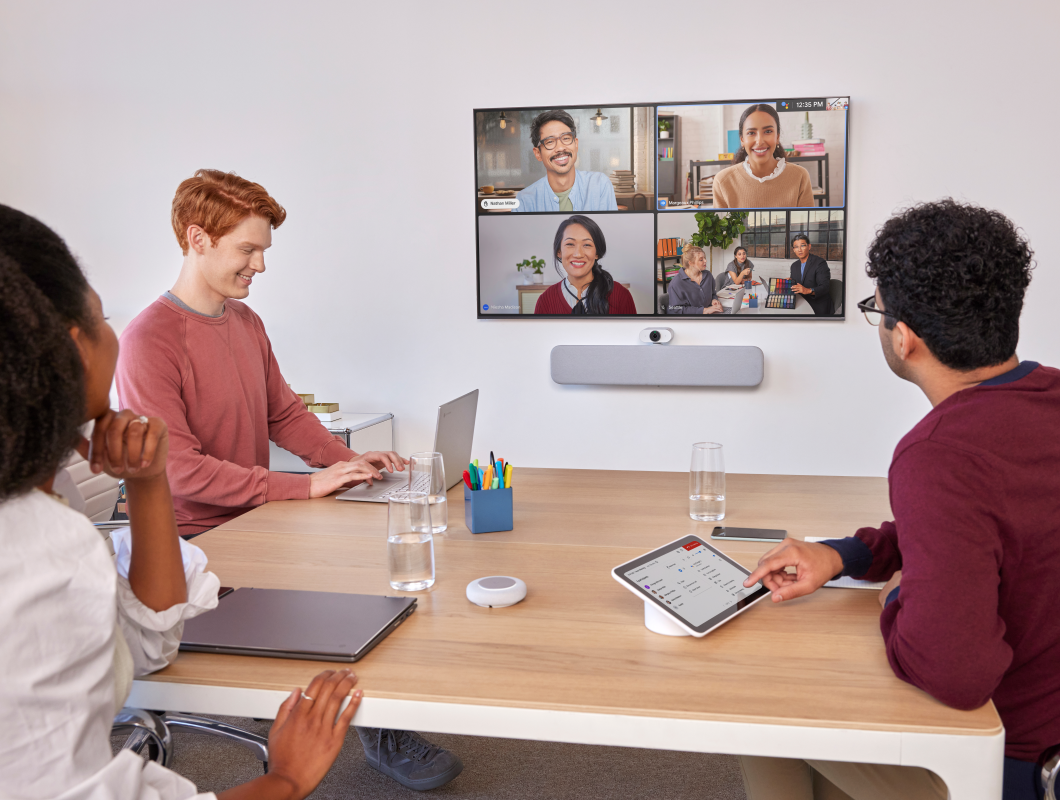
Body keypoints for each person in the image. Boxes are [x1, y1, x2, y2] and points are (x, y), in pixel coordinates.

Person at [738, 200, 1060, 800]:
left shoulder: (938, 452)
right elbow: (976, 526)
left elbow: (954, 674)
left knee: (769, 723)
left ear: (904, 338)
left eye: (876, 311)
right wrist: (845, 557)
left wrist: (897, 597)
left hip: (1034, 772)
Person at [0, 204, 364, 800]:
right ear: (71, 349)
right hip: (207, 536)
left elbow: (146, 642)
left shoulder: (50, 498)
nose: (260, 265)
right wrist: (286, 780)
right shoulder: (41, 556)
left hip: (234, 523)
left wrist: (340, 464)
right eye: (99, 317)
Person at [115, 170, 464, 792]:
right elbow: (180, 470)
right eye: (247, 251)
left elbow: (283, 413)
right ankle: (375, 728)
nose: (260, 267)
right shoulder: (150, 339)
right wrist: (303, 486)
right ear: (197, 239)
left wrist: (348, 464)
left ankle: (382, 711)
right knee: (348, 586)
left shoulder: (244, 323)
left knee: (378, 553)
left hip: (257, 519)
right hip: (196, 546)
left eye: (264, 252)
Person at [713, 104, 815, 209]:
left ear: (777, 137)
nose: (760, 141)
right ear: (742, 140)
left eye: (768, 131)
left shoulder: (800, 176)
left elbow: (808, 224)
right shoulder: (723, 181)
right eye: (751, 133)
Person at [515, 110, 618, 213]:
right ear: (538, 153)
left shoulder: (600, 185)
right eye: (550, 142)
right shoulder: (524, 201)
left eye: (566, 138)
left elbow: (610, 228)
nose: (560, 148)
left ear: (576, 144)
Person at [533, 215, 637, 314]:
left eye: (587, 245)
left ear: (597, 253)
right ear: (559, 252)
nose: (578, 254)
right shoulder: (545, 300)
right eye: (570, 244)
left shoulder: (621, 296)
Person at [667, 244, 723, 314]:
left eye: (705, 258)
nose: (705, 261)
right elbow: (676, 309)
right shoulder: (676, 283)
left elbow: (713, 293)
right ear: (691, 263)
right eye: (701, 259)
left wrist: (714, 300)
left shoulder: (708, 275)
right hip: (687, 321)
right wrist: (704, 310)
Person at [788, 234, 833, 316]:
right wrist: (791, 282)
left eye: (802, 246)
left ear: (809, 246)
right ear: (793, 250)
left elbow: (825, 287)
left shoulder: (820, 263)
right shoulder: (794, 265)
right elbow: (799, 283)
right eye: (796, 247)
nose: (800, 250)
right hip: (801, 302)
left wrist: (807, 290)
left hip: (817, 304)